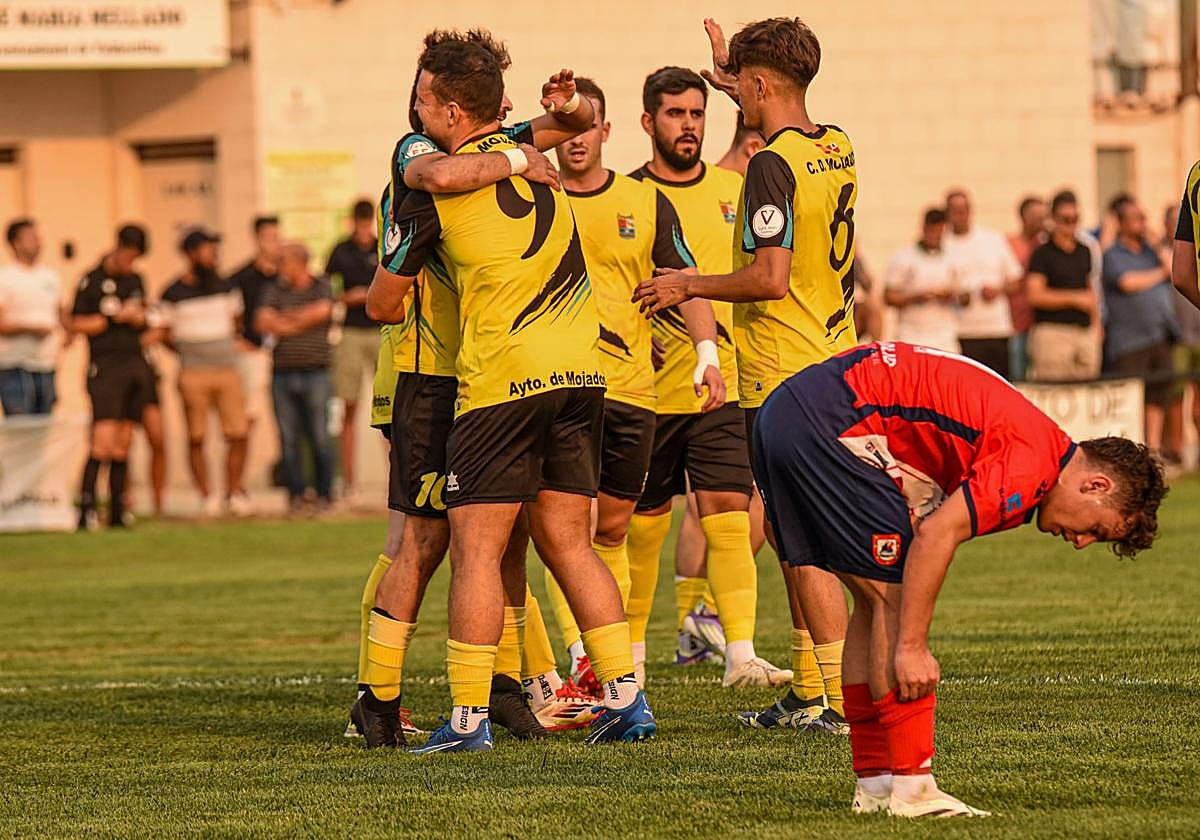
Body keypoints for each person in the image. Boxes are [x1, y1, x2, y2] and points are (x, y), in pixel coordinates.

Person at [364, 33, 653, 755]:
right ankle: (627, 698)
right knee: (567, 541)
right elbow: (575, 123)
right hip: (584, 374)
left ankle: (466, 720)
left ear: (453, 111)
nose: (415, 108)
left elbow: (387, 290)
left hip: (498, 379)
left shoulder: (424, 171)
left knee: (474, 553)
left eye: (426, 98)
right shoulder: (526, 156)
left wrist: (546, 131)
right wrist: (560, 121)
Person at [752, 340, 1164, 817]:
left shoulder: (1034, 442)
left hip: (789, 413)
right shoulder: (1033, 462)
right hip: (829, 421)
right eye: (1095, 529)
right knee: (892, 598)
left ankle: (876, 784)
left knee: (873, 601)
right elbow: (935, 535)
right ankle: (912, 788)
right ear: (1097, 485)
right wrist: (912, 647)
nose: (1080, 542)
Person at [635, 16, 857, 734]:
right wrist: (741, 84)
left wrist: (690, 283)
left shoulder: (770, 165)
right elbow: (776, 109)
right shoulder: (836, 144)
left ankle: (835, 698)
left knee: (807, 541)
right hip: (835, 354)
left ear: (760, 83)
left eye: (743, 90)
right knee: (798, 535)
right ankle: (813, 691)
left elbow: (768, 277)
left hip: (784, 371)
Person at [544, 74, 727, 691]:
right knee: (566, 527)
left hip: (631, 391)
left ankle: (619, 655)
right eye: (565, 128)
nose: (576, 140)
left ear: (605, 131)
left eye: (586, 127)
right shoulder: (534, 197)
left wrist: (707, 352)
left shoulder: (646, 201)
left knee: (614, 528)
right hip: (559, 384)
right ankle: (583, 657)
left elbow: (682, 280)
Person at [625, 66, 790, 689]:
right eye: (674, 114)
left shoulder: (736, 188)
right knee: (643, 525)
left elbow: (762, 272)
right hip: (642, 387)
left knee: (728, 508)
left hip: (723, 380)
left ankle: (738, 653)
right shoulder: (628, 195)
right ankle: (630, 659)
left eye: (696, 114)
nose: (688, 125)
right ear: (648, 122)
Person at [158, 229, 251, 516]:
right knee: (196, 436)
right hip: (193, 372)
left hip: (227, 369)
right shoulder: (172, 292)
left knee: (238, 433)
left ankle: (233, 493)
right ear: (190, 254)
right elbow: (163, 332)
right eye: (207, 250)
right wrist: (189, 350)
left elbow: (237, 322)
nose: (213, 255)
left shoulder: (227, 286)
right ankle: (206, 494)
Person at [71, 224, 152, 530]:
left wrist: (141, 318)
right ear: (118, 248)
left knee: (123, 442)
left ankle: (118, 511)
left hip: (134, 363)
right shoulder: (91, 281)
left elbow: (145, 314)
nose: (131, 264)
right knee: (101, 442)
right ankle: (87, 509)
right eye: (129, 256)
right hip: (105, 367)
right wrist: (112, 318)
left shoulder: (135, 280)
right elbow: (76, 323)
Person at [255, 242, 334, 514]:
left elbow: (323, 312)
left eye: (284, 262)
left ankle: (325, 495)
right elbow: (263, 321)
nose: (280, 267)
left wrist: (284, 320)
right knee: (288, 439)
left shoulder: (322, 285)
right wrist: (301, 319)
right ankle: (296, 496)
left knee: (320, 436)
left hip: (316, 371)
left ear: (299, 263)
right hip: (282, 373)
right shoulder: (273, 289)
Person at [1101, 198, 1177, 455]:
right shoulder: (1113, 254)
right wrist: (1159, 275)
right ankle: (1131, 454)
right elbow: (1127, 282)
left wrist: (1156, 244)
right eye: (1135, 218)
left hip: (1158, 335)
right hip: (1128, 340)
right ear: (1121, 223)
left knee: (1158, 397)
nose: (1141, 222)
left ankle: (1152, 450)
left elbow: (1175, 270)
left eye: (1143, 217)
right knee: (1131, 400)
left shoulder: (1150, 251)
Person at [326, 199, 379, 501]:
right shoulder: (340, 251)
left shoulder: (381, 245)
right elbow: (329, 290)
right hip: (350, 331)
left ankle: (394, 479)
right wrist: (349, 297)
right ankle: (349, 481)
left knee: (389, 408)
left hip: (380, 329)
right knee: (349, 406)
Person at [944, 189, 1022, 378]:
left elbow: (1017, 280)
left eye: (964, 210)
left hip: (996, 329)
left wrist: (998, 291)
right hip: (961, 332)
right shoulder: (942, 244)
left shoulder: (993, 240)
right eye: (955, 210)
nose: (960, 215)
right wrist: (956, 296)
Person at [1026, 191, 1101, 381]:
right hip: (1053, 332)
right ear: (1053, 219)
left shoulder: (1085, 250)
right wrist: (1074, 299)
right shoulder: (1042, 254)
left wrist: (1096, 324)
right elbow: (1035, 295)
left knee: (1087, 392)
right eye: (1065, 219)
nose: (1071, 224)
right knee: (1055, 392)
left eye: (1075, 219)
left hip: (1084, 331)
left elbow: (1089, 287)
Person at [228, 216, 281, 448]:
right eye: (268, 238)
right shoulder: (240, 277)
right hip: (254, 353)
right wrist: (237, 340)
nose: (273, 244)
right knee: (248, 417)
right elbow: (231, 314)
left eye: (276, 238)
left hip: (287, 354)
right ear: (256, 239)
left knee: (287, 419)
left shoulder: (286, 276)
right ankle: (237, 481)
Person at [0, 218, 61, 416]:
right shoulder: (6, 277)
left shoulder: (50, 276)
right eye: (31, 237)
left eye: (38, 237)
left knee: (44, 430)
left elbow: (61, 313)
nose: (38, 242)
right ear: (16, 243)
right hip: (15, 366)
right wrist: (31, 329)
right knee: (22, 428)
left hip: (46, 364)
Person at [884, 208, 966, 353]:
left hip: (945, 336)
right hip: (911, 334)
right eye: (932, 231)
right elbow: (889, 297)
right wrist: (914, 297)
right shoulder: (904, 256)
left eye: (940, 232)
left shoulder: (955, 257)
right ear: (924, 228)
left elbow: (967, 296)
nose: (936, 236)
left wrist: (951, 296)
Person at [1007, 196, 1048, 380]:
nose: (1042, 221)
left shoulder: (1047, 247)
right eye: (1036, 216)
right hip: (1016, 324)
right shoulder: (1009, 245)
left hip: (1041, 325)